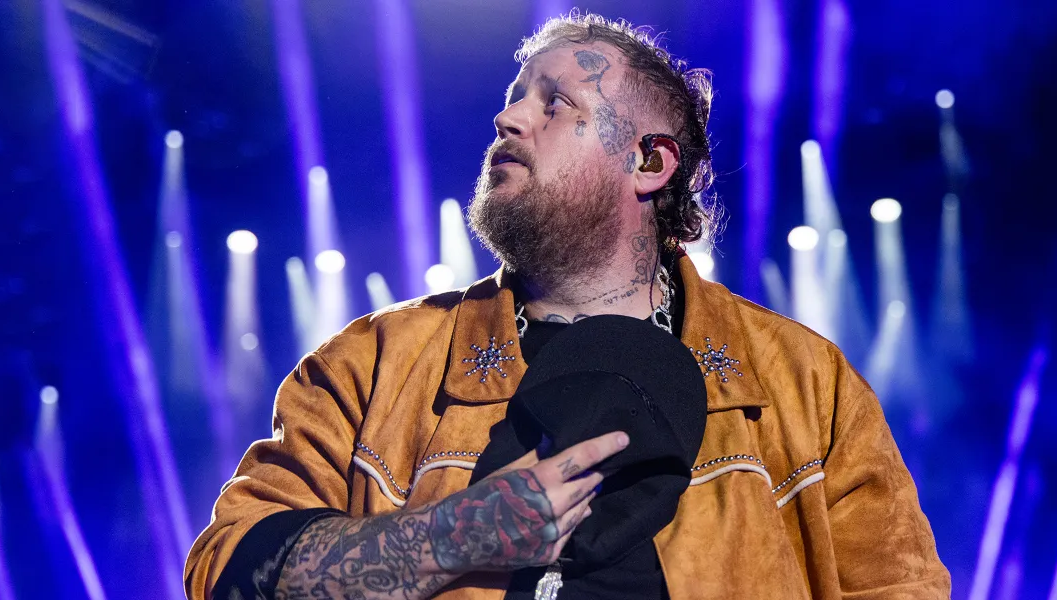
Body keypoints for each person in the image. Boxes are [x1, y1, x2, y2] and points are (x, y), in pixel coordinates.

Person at [185, 13, 951, 600]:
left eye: (554, 103)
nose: (508, 118)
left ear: (649, 161)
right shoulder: (373, 364)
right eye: (514, 99)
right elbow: (227, 571)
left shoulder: (805, 383)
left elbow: (900, 585)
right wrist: (451, 538)